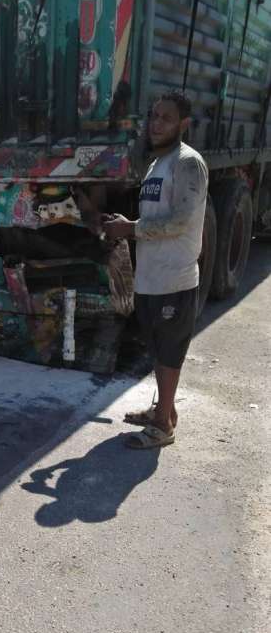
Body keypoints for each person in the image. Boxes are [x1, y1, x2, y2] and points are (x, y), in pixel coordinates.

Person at [102, 90, 208, 449]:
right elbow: (153, 217)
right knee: (158, 349)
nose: (156, 124)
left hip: (174, 278)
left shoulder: (188, 163)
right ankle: (164, 410)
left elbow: (181, 221)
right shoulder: (156, 165)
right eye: (153, 116)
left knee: (169, 351)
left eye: (166, 118)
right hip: (150, 277)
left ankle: (163, 426)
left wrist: (130, 229)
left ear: (183, 124)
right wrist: (126, 223)